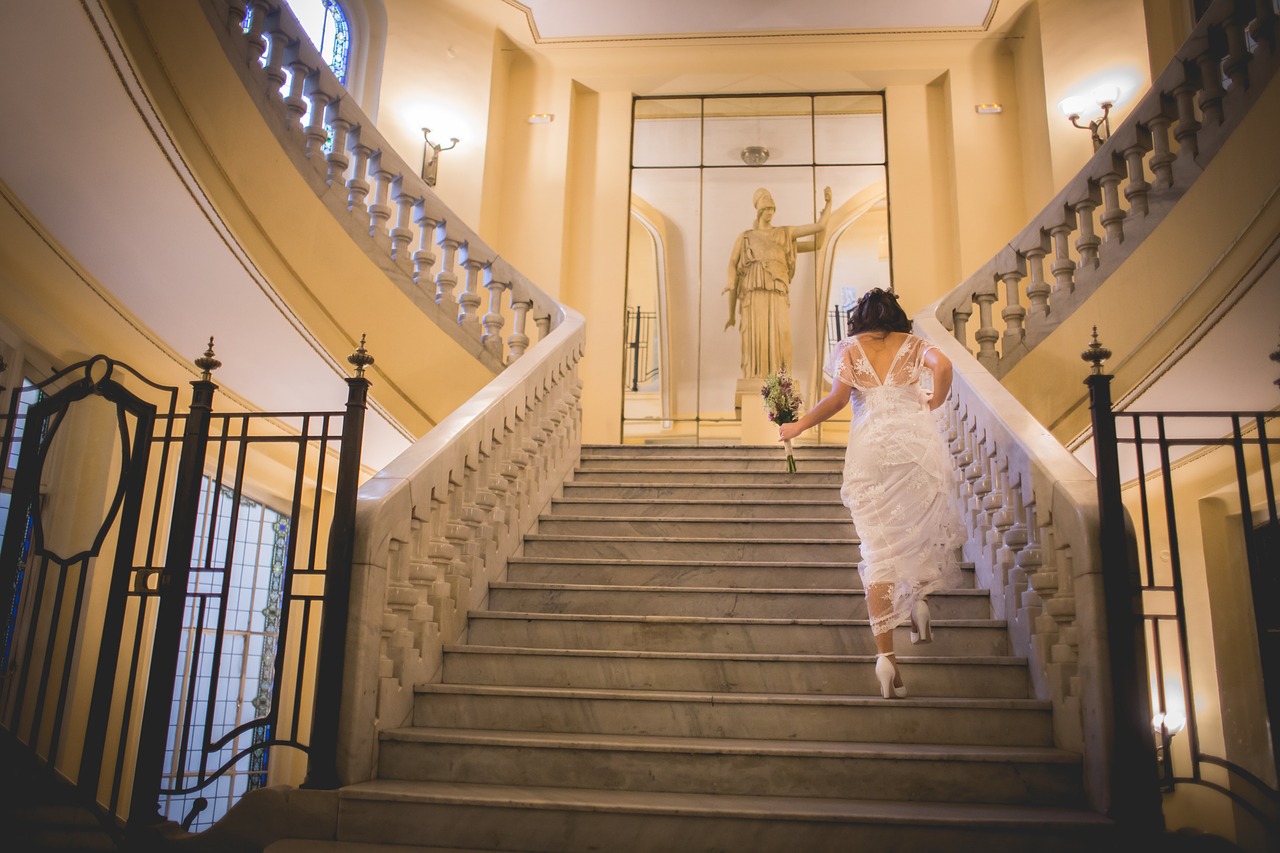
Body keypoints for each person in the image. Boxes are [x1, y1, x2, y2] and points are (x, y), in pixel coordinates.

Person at [778, 288, 964, 699]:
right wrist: (935, 398)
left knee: (878, 549)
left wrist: (799, 427)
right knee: (916, 529)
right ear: (897, 317)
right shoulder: (915, 345)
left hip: (871, 453)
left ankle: (887, 661)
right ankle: (919, 603)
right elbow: (945, 365)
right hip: (914, 448)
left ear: (858, 320)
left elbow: (837, 400)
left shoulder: (850, 349)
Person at [724, 186, 832, 379]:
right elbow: (733, 262)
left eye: (772, 209)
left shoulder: (785, 233)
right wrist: (730, 282)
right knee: (757, 339)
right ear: (758, 211)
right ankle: (756, 376)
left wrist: (828, 206)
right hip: (754, 293)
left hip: (777, 292)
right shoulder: (746, 237)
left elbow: (818, 237)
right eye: (766, 209)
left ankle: (780, 380)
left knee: (781, 334)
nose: (770, 213)